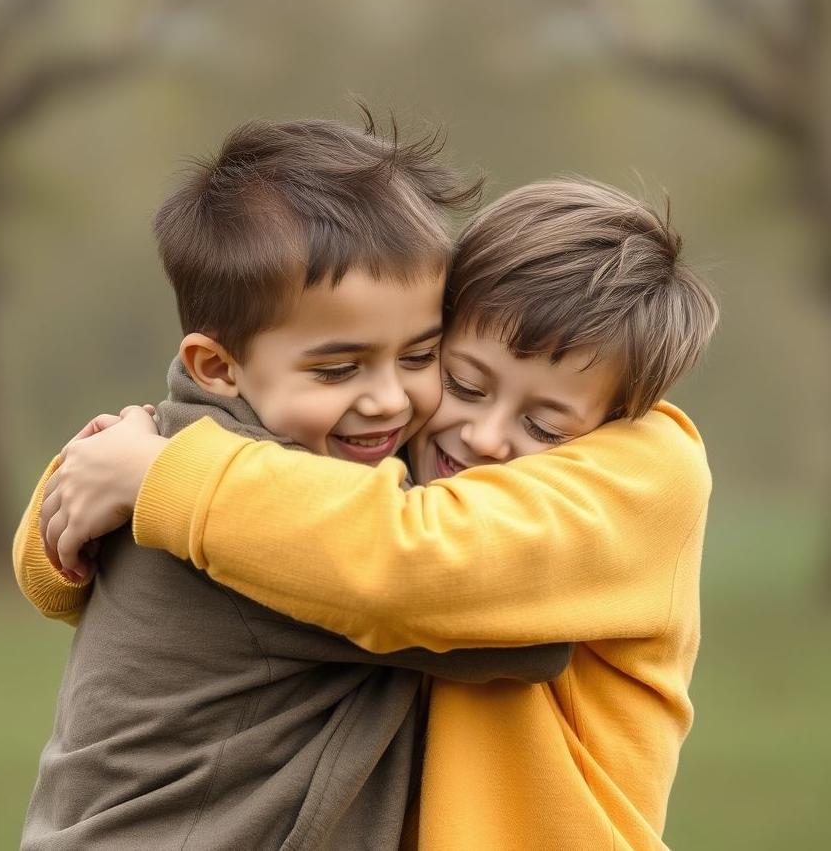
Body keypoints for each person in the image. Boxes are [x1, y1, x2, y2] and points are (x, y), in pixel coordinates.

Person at [36, 177, 718, 850]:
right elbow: (273, 490)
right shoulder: (398, 451)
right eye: (462, 382)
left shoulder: (649, 472)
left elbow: (411, 562)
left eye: (544, 425)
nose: (483, 437)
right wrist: (79, 499)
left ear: (619, 412)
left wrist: (157, 475)